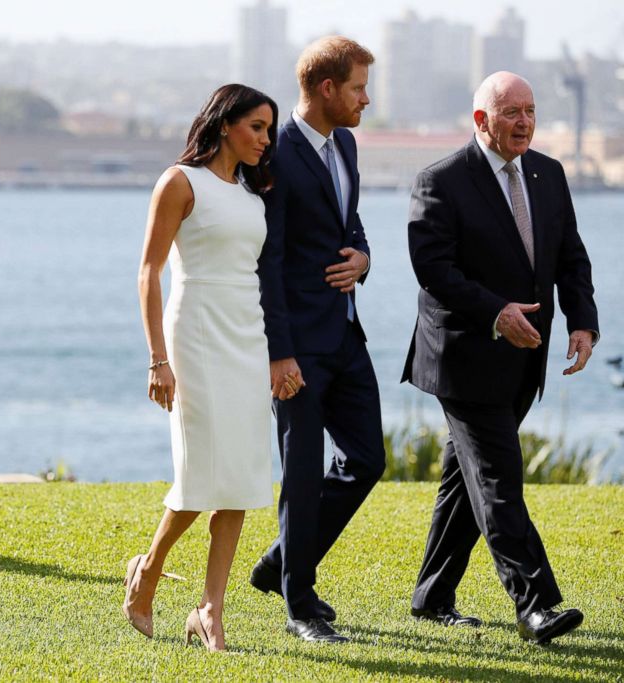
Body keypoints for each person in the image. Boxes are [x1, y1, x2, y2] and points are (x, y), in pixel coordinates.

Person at [402, 71, 599, 645]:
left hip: (524, 360)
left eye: (531, 110)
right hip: (463, 358)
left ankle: (432, 595)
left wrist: (583, 320)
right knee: (497, 479)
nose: (524, 122)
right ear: (481, 120)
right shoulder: (440, 180)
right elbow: (434, 269)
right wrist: (496, 313)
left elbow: (570, 256)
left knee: (464, 480)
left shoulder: (549, 173)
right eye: (511, 111)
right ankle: (535, 605)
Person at [126, 84, 285, 652]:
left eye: (270, 130)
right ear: (224, 125)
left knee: (240, 477)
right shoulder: (179, 182)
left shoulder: (251, 196)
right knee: (197, 476)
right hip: (194, 332)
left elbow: (259, 279)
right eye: (257, 127)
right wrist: (157, 360)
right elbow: (149, 272)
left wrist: (274, 356)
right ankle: (147, 571)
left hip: (247, 335)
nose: (266, 140)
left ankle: (209, 612)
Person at [253, 36, 385, 644]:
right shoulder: (273, 154)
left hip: (345, 333)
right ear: (327, 88)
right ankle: (298, 603)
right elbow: (268, 260)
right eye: (358, 87)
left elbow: (348, 223)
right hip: (297, 347)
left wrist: (364, 256)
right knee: (302, 471)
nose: (366, 99)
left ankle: (281, 562)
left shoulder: (347, 143)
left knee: (366, 460)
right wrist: (280, 352)